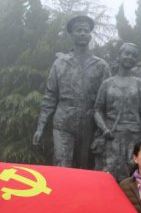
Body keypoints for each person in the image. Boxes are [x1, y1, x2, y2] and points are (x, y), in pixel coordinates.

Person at [33, 15, 111, 168]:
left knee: (86, 168)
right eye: (78, 30)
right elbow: (50, 97)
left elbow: (109, 101)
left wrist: (104, 130)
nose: (82, 33)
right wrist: (40, 127)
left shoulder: (101, 66)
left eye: (86, 30)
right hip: (64, 121)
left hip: (90, 123)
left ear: (90, 35)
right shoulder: (60, 64)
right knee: (62, 164)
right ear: (71, 34)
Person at [94, 43, 141, 180]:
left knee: (132, 175)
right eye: (127, 53)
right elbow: (97, 110)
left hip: (134, 137)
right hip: (112, 138)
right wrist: (104, 129)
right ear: (119, 56)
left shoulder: (139, 83)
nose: (130, 57)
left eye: (134, 55)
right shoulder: (107, 84)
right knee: (108, 176)